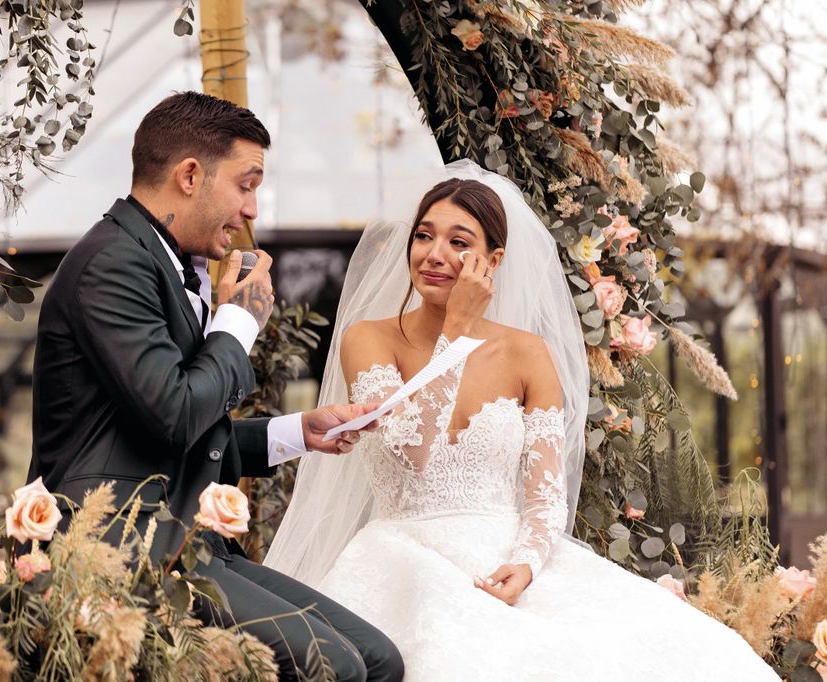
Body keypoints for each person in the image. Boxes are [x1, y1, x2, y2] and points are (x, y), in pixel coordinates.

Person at [264, 160, 780, 680]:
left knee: (685, 652)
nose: (435, 255)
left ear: (494, 261)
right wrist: (458, 333)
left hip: (507, 557)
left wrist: (528, 562)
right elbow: (411, 452)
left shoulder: (529, 353)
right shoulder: (369, 338)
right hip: (403, 562)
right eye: (424, 236)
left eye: (459, 242)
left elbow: (544, 494)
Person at [28, 91, 403, 682]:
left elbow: (163, 431)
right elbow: (175, 414)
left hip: (186, 544)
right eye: (245, 185)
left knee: (380, 660)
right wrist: (238, 321)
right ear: (189, 175)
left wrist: (295, 432)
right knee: (338, 668)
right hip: (121, 551)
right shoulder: (113, 264)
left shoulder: (160, 261)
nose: (252, 209)